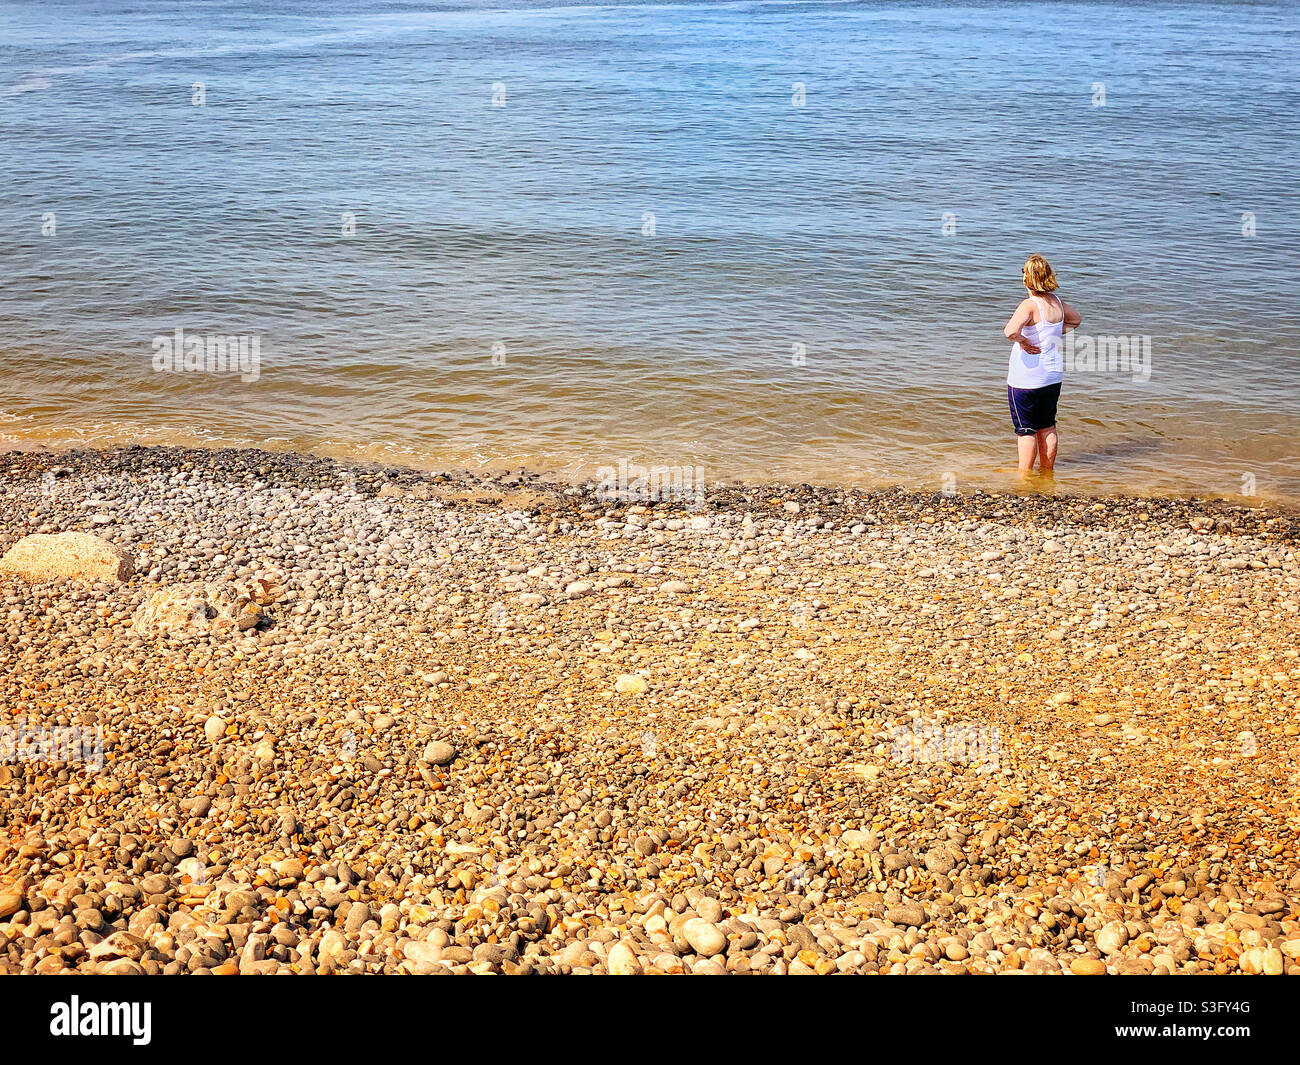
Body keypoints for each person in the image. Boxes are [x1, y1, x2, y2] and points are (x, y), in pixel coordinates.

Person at [1002, 254, 1081, 476]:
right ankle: (1047, 472)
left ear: (1026, 278)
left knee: (1026, 429)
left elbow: (1010, 331)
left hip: (1026, 377)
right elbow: (1076, 320)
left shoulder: (1029, 305)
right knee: (1047, 425)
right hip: (1052, 375)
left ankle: (1025, 476)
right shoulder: (1057, 302)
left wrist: (1024, 342)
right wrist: (1056, 332)